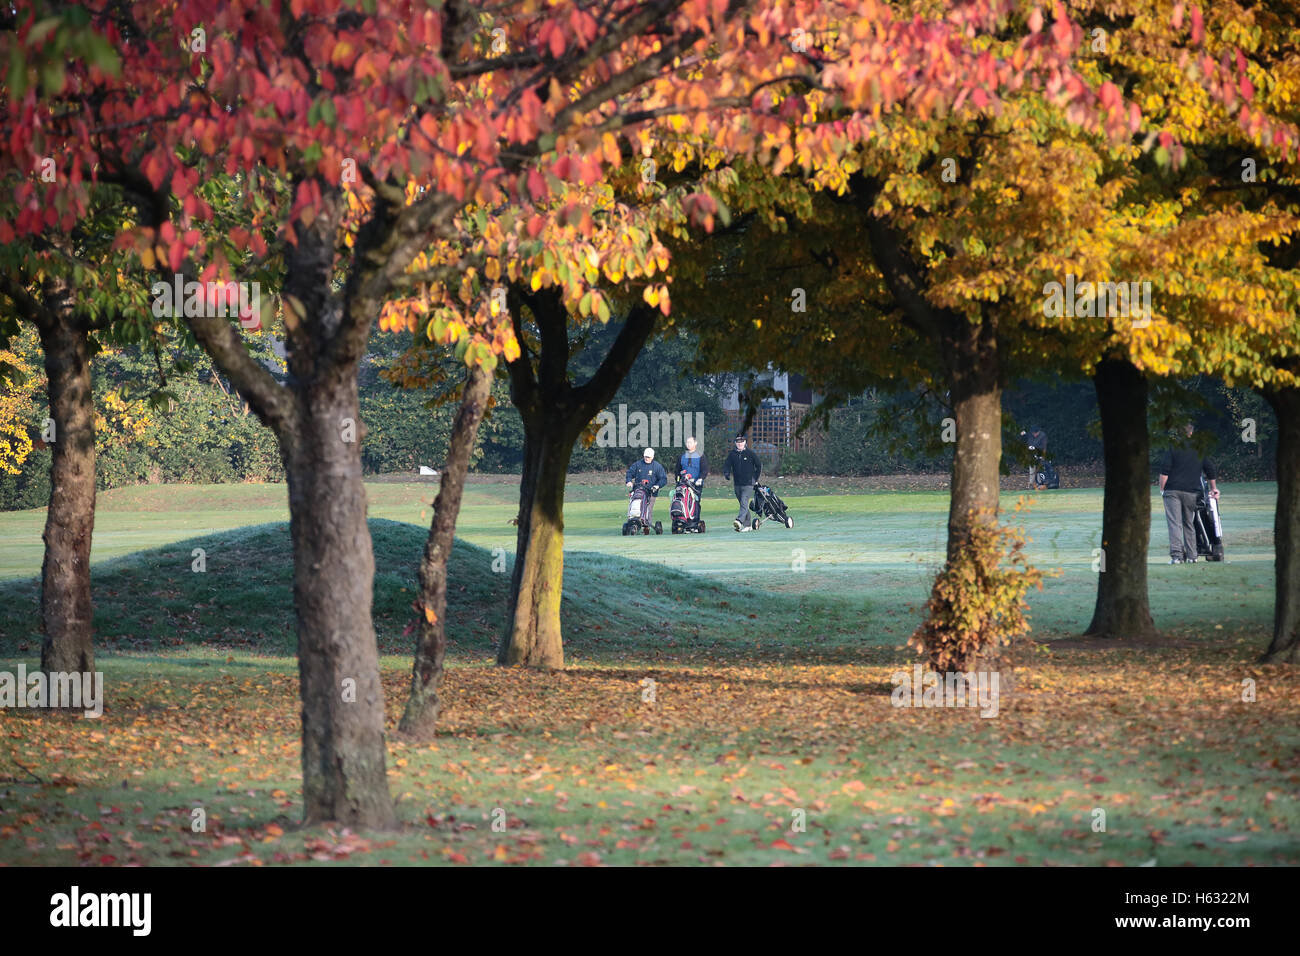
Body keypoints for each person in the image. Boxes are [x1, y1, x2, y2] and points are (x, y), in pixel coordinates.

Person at [1159, 423, 1219, 564]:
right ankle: (1193, 556)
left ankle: (1177, 557)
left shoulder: (1173, 447)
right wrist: (1213, 488)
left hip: (1172, 491)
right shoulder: (1199, 449)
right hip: (1192, 492)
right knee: (1189, 523)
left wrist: (1162, 489)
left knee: (1175, 523)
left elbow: (1164, 472)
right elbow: (1210, 469)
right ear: (1191, 433)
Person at [722, 434, 762, 532]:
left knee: (744, 502)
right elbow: (727, 465)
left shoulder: (750, 453)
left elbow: (759, 465)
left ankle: (739, 521)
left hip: (748, 483)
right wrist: (726, 473)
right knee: (743, 504)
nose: (740, 444)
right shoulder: (732, 454)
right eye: (738, 442)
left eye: (742, 442)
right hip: (737, 483)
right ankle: (748, 525)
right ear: (735, 443)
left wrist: (755, 479)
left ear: (745, 442)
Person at [625, 447, 667, 526]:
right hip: (638, 490)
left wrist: (657, 486)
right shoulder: (638, 464)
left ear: (652, 457)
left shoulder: (657, 466)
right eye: (645, 457)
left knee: (648, 509)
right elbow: (629, 473)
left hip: (651, 492)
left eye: (648, 457)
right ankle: (632, 522)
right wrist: (629, 481)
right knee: (634, 505)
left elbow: (663, 479)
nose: (647, 458)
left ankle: (647, 525)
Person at [675, 435, 709, 519]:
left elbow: (704, 470)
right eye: (687, 442)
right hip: (684, 484)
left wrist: (700, 479)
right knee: (683, 502)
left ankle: (695, 522)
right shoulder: (682, 456)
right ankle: (684, 520)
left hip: (696, 485)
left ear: (695, 443)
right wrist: (678, 480)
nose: (688, 444)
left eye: (690, 442)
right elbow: (677, 470)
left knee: (695, 502)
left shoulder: (700, 456)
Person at [1024, 425, 1047, 489]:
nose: (1034, 435)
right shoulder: (1031, 435)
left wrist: (1036, 449)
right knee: (1032, 469)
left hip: (1040, 454)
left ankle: (1039, 483)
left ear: (1038, 432)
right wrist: (1030, 447)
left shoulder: (1043, 436)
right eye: (1033, 433)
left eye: (1035, 433)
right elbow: (1028, 442)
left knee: (1039, 470)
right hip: (1031, 455)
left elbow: (1043, 447)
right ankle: (1031, 484)